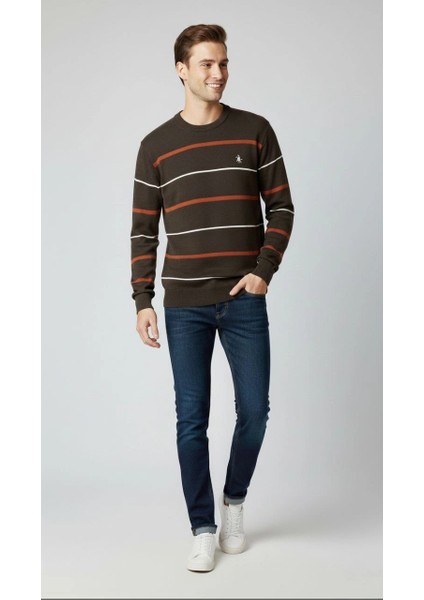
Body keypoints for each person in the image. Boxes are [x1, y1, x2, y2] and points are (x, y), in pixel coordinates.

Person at [130, 23, 294, 572]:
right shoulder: (155, 146)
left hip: (244, 299)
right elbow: (143, 231)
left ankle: (234, 503)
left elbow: (282, 208)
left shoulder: (255, 130)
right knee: (191, 419)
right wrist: (142, 299)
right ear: (182, 70)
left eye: (223, 62)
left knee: (255, 412)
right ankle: (202, 527)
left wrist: (263, 271)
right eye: (206, 64)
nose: (218, 73)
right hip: (184, 304)